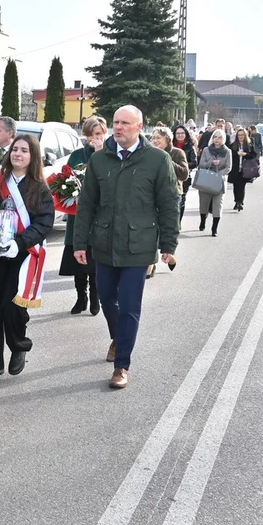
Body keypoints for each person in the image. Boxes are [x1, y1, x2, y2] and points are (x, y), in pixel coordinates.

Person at [73, 105, 179, 389]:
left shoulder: (157, 160)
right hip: (104, 243)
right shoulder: (100, 160)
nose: (118, 127)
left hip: (139, 245)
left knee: (130, 306)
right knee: (107, 298)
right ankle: (119, 338)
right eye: (116, 122)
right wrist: (79, 242)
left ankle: (122, 365)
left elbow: (169, 205)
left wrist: (169, 244)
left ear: (139, 127)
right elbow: (87, 205)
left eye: (124, 123)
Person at [0, 134, 54, 379]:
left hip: (22, 256)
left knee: (12, 308)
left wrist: (20, 243)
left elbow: (44, 223)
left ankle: (18, 346)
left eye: (24, 150)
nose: (18, 154)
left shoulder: (40, 187)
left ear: (32, 156)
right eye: (15, 149)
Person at [59, 116, 105, 316]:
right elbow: (64, 179)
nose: (94, 139)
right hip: (77, 215)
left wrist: (99, 153)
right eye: (90, 135)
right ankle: (81, 297)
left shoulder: (108, 155)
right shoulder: (77, 155)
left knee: (95, 261)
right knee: (78, 260)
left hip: (99, 216)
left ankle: (96, 298)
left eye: (98, 134)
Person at [147, 127, 187, 278]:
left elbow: (184, 173)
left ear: (168, 140)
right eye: (154, 138)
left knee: (167, 228)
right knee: (152, 228)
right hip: (153, 195)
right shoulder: (150, 154)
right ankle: (150, 264)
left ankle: (169, 254)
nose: (155, 141)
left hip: (172, 195)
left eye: (159, 138)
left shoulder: (177, 153)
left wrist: (167, 160)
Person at [197, 129, 232, 236]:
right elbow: (201, 164)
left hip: (219, 181)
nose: (217, 140)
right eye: (215, 137)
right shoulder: (207, 150)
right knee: (204, 204)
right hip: (206, 179)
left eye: (220, 137)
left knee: (218, 206)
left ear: (223, 139)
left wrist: (219, 174)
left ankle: (214, 228)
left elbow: (228, 167)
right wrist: (211, 162)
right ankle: (203, 221)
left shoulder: (227, 151)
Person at [171, 124, 197, 221]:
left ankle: (179, 221)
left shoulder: (190, 147)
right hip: (171, 176)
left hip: (184, 177)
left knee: (181, 200)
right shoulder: (170, 146)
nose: (180, 135)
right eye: (177, 133)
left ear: (186, 134)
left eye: (182, 133)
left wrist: (182, 165)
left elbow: (195, 163)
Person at [228, 127, 257, 212]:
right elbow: (230, 154)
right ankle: (236, 201)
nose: (241, 137)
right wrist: (237, 153)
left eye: (243, 135)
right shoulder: (233, 145)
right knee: (235, 186)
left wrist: (245, 154)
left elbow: (254, 155)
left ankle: (240, 202)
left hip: (245, 169)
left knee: (242, 186)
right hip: (235, 169)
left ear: (245, 135)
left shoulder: (249, 144)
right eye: (239, 135)